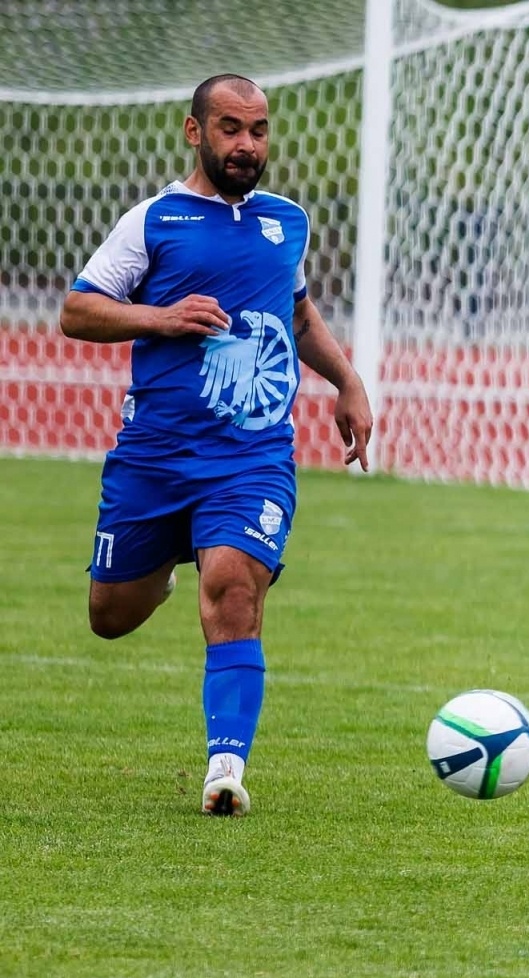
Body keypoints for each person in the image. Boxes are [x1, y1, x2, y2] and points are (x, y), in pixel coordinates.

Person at [60, 74, 373, 817]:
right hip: (156, 458)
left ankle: (225, 770)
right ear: (194, 131)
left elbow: (298, 318)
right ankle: (169, 561)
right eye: (231, 128)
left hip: (250, 455)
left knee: (234, 585)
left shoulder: (287, 221)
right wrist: (161, 318)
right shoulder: (153, 221)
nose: (247, 145)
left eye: (258, 130)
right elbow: (76, 310)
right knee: (110, 615)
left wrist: (348, 381)